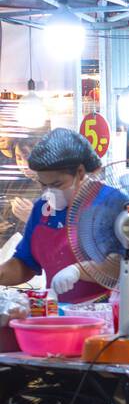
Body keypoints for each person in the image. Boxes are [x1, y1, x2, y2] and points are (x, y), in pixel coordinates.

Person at [0, 129, 112, 304]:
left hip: (106, 314)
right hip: (57, 313)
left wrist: (77, 271)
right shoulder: (42, 210)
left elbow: (124, 263)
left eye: (57, 184)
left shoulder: (110, 203)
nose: (49, 191)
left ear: (80, 173)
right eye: (43, 185)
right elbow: (25, 263)